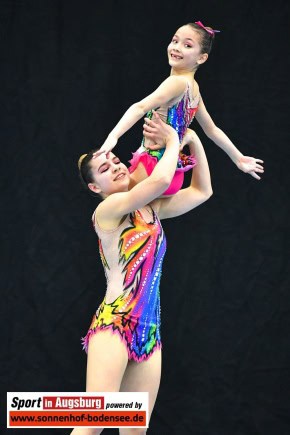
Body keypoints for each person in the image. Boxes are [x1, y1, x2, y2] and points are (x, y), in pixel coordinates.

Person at [72, 113, 213, 435]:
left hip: (148, 330)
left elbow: (202, 192)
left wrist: (194, 140)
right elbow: (160, 181)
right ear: (95, 187)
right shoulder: (106, 211)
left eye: (116, 160)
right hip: (115, 323)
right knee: (91, 426)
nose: (118, 166)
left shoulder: (149, 209)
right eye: (106, 169)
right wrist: (174, 140)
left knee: (134, 429)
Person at [94, 21, 264, 195]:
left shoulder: (176, 83)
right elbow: (212, 129)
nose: (177, 47)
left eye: (187, 45)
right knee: (143, 218)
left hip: (153, 165)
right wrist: (238, 157)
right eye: (175, 41)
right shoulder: (194, 89)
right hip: (175, 171)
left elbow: (140, 107)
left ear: (201, 58)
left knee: (109, 203)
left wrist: (113, 136)